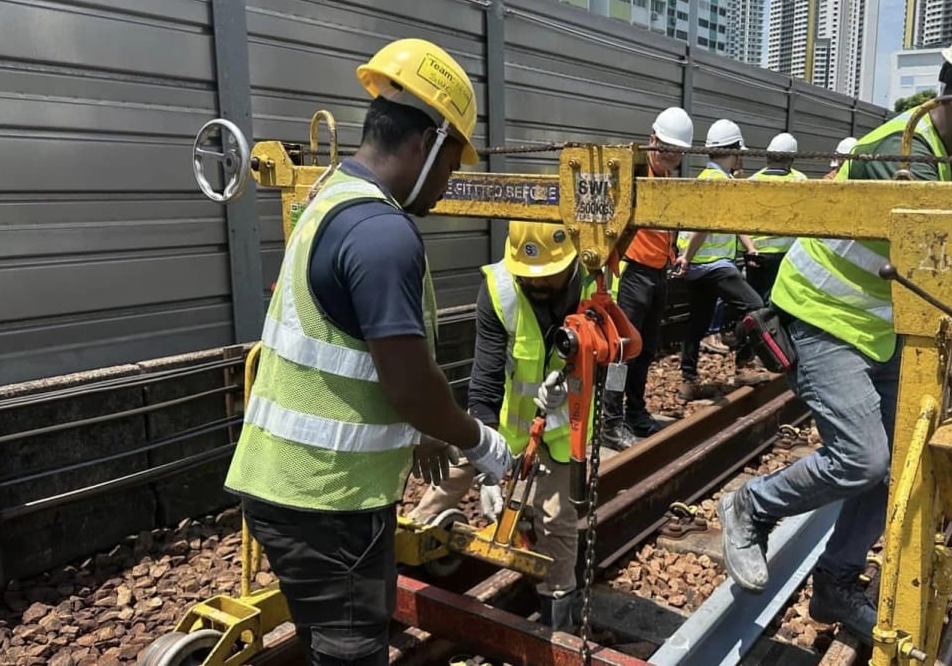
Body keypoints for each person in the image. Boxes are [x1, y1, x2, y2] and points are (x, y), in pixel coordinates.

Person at [717, 15, 952, 644]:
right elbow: (947, 233)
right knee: (862, 459)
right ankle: (753, 505)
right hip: (823, 313)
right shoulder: (898, 152)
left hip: (879, 325)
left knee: (897, 462)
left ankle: (835, 583)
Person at [223, 39, 514, 666]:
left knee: (337, 639)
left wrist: (424, 434)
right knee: (351, 649)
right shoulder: (383, 233)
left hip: (296, 486)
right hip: (327, 500)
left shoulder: (332, 198)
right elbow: (409, 386)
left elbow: (356, 360)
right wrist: (477, 440)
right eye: (450, 165)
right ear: (423, 145)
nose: (448, 186)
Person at [409, 221, 589, 630]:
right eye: (528, 276)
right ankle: (410, 553)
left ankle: (558, 617)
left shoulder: (594, 283)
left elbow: (618, 349)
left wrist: (575, 375)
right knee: (449, 476)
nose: (536, 284)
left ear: (571, 261)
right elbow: (486, 377)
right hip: (505, 425)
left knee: (556, 521)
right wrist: (486, 467)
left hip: (562, 431)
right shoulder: (501, 289)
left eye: (547, 275)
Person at [601, 107, 693, 444]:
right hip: (632, 274)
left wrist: (673, 256)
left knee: (646, 348)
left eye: (677, 153)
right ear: (651, 139)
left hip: (657, 274)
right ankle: (611, 420)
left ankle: (635, 413)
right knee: (622, 352)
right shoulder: (634, 174)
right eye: (666, 149)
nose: (670, 157)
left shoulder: (665, 178)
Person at [674, 119, 765, 401]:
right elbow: (704, 225)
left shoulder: (709, 178)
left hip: (700, 266)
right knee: (754, 307)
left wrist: (749, 247)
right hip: (711, 264)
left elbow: (730, 221)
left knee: (698, 322)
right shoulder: (720, 183)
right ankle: (744, 365)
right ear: (735, 150)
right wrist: (687, 257)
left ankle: (688, 381)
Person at [747, 133, 808, 302]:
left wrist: (750, 248)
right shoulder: (800, 181)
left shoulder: (752, 180)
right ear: (791, 158)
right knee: (779, 300)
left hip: (756, 252)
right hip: (786, 253)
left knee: (754, 300)